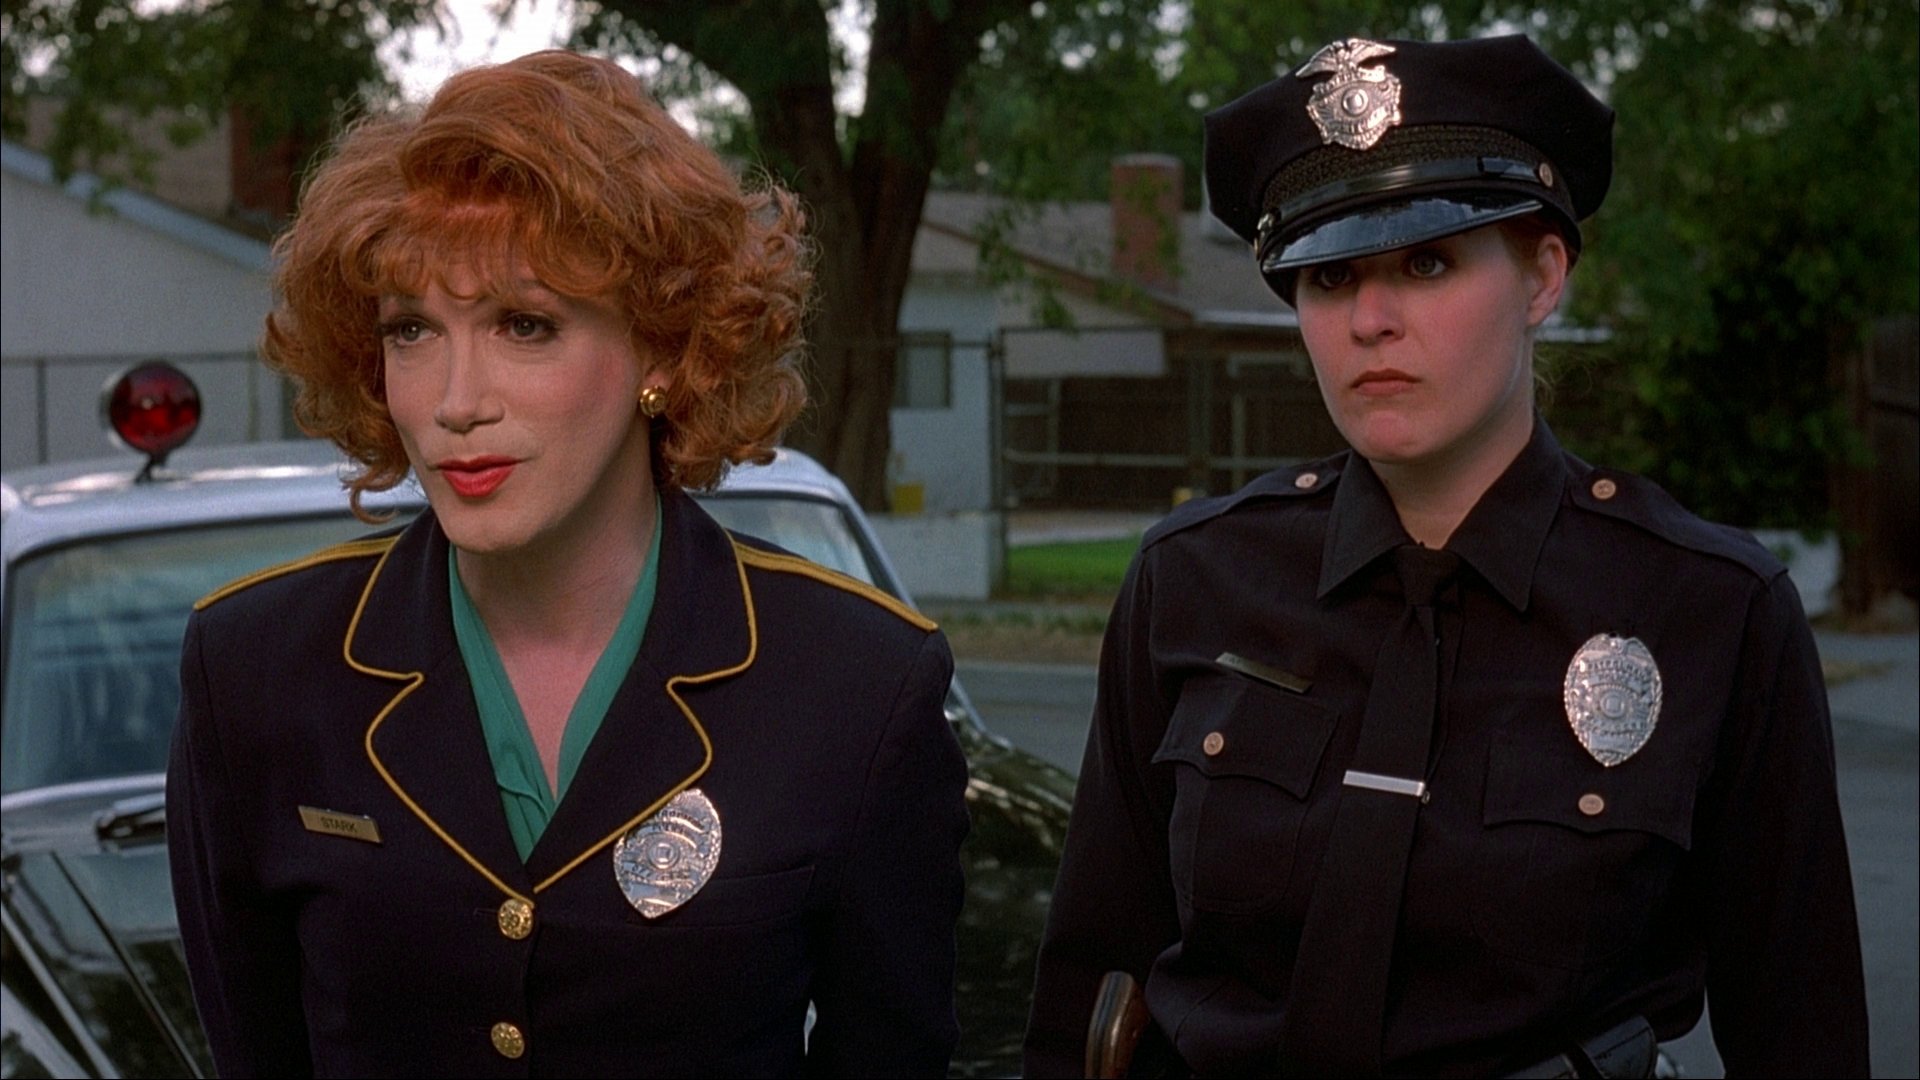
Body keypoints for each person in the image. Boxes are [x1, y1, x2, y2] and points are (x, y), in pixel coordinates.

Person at [1023, 34, 1869, 1078]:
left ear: (1542, 276)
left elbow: (1801, 1029)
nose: (1371, 321)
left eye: (1428, 264)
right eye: (1330, 276)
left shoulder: (1710, 610)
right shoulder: (1194, 581)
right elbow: (1090, 994)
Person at [167, 49, 969, 1078]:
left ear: (664, 349)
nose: (456, 401)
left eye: (525, 325)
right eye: (411, 330)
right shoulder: (254, 668)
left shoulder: (858, 682)